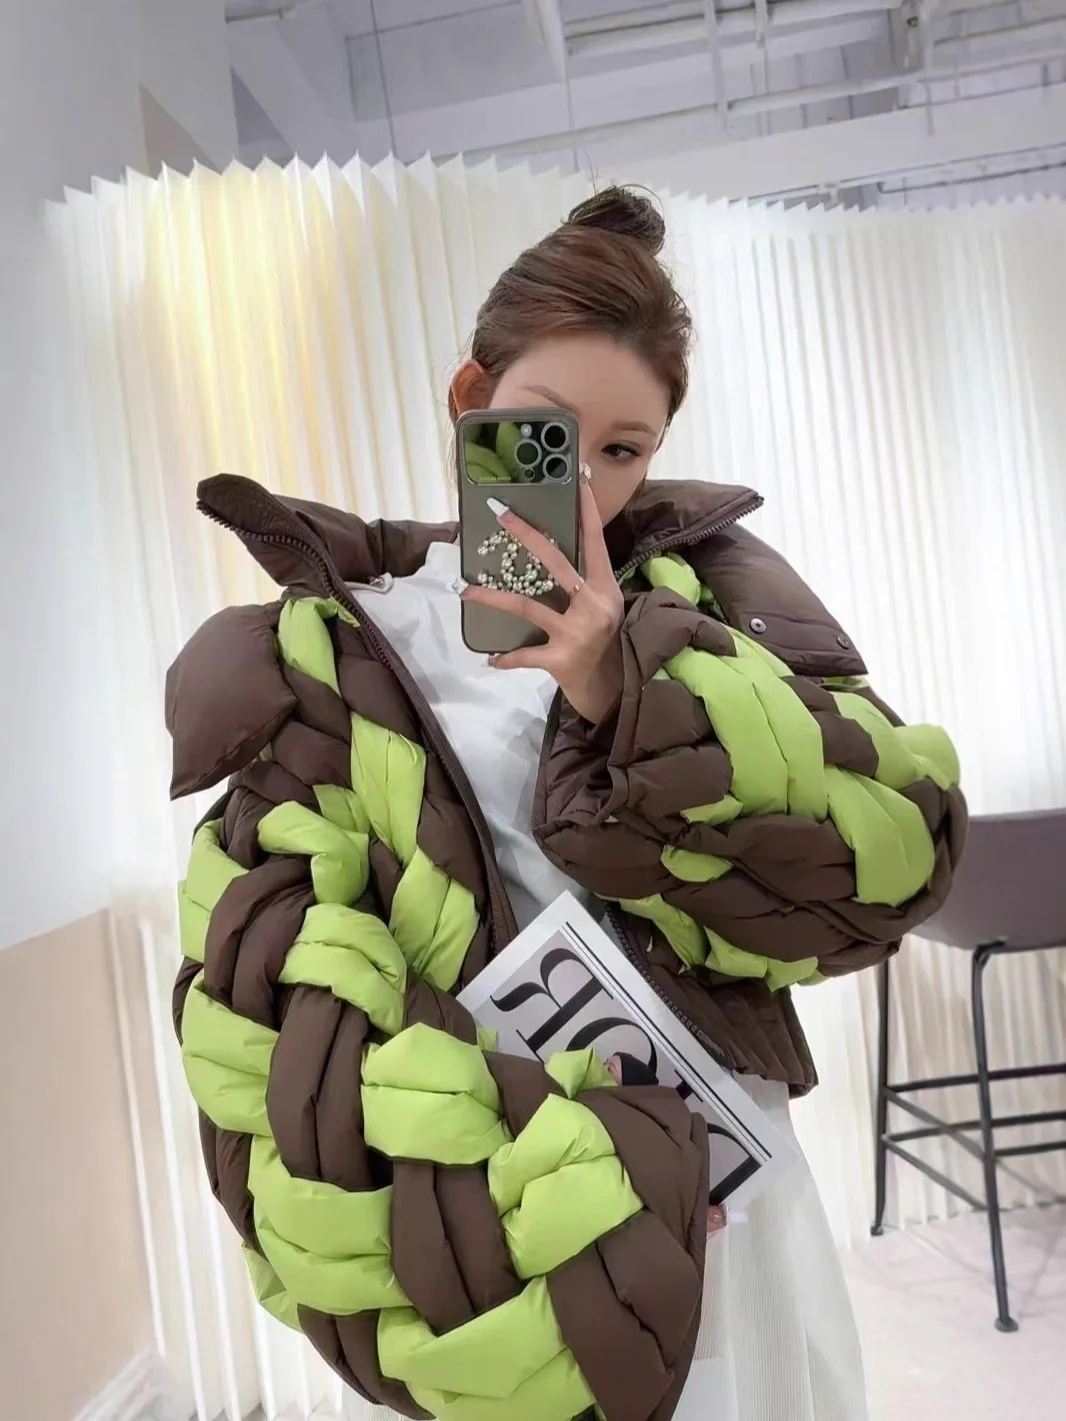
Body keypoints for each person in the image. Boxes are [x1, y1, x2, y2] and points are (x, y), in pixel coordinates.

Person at [166, 187, 965, 1421]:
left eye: (624, 449)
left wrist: (626, 682)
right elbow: (276, 1001)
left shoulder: (707, 609)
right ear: (470, 398)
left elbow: (882, 864)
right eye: (545, 435)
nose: (584, 485)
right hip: (497, 1212)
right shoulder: (336, 649)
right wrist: (568, 1182)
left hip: (719, 1186)